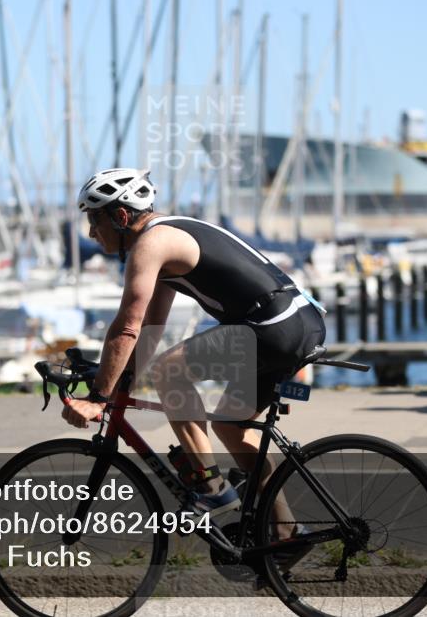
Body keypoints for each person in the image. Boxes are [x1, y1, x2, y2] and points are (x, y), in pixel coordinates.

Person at [63, 168, 325, 527]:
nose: (91, 232)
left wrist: (97, 398)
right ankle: (286, 531)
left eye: (94, 221)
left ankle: (211, 488)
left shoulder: (150, 245)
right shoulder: (171, 235)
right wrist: (119, 382)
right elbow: (151, 329)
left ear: (121, 217)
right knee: (232, 428)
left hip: (272, 328)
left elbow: (127, 326)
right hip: (299, 323)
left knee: (169, 371)